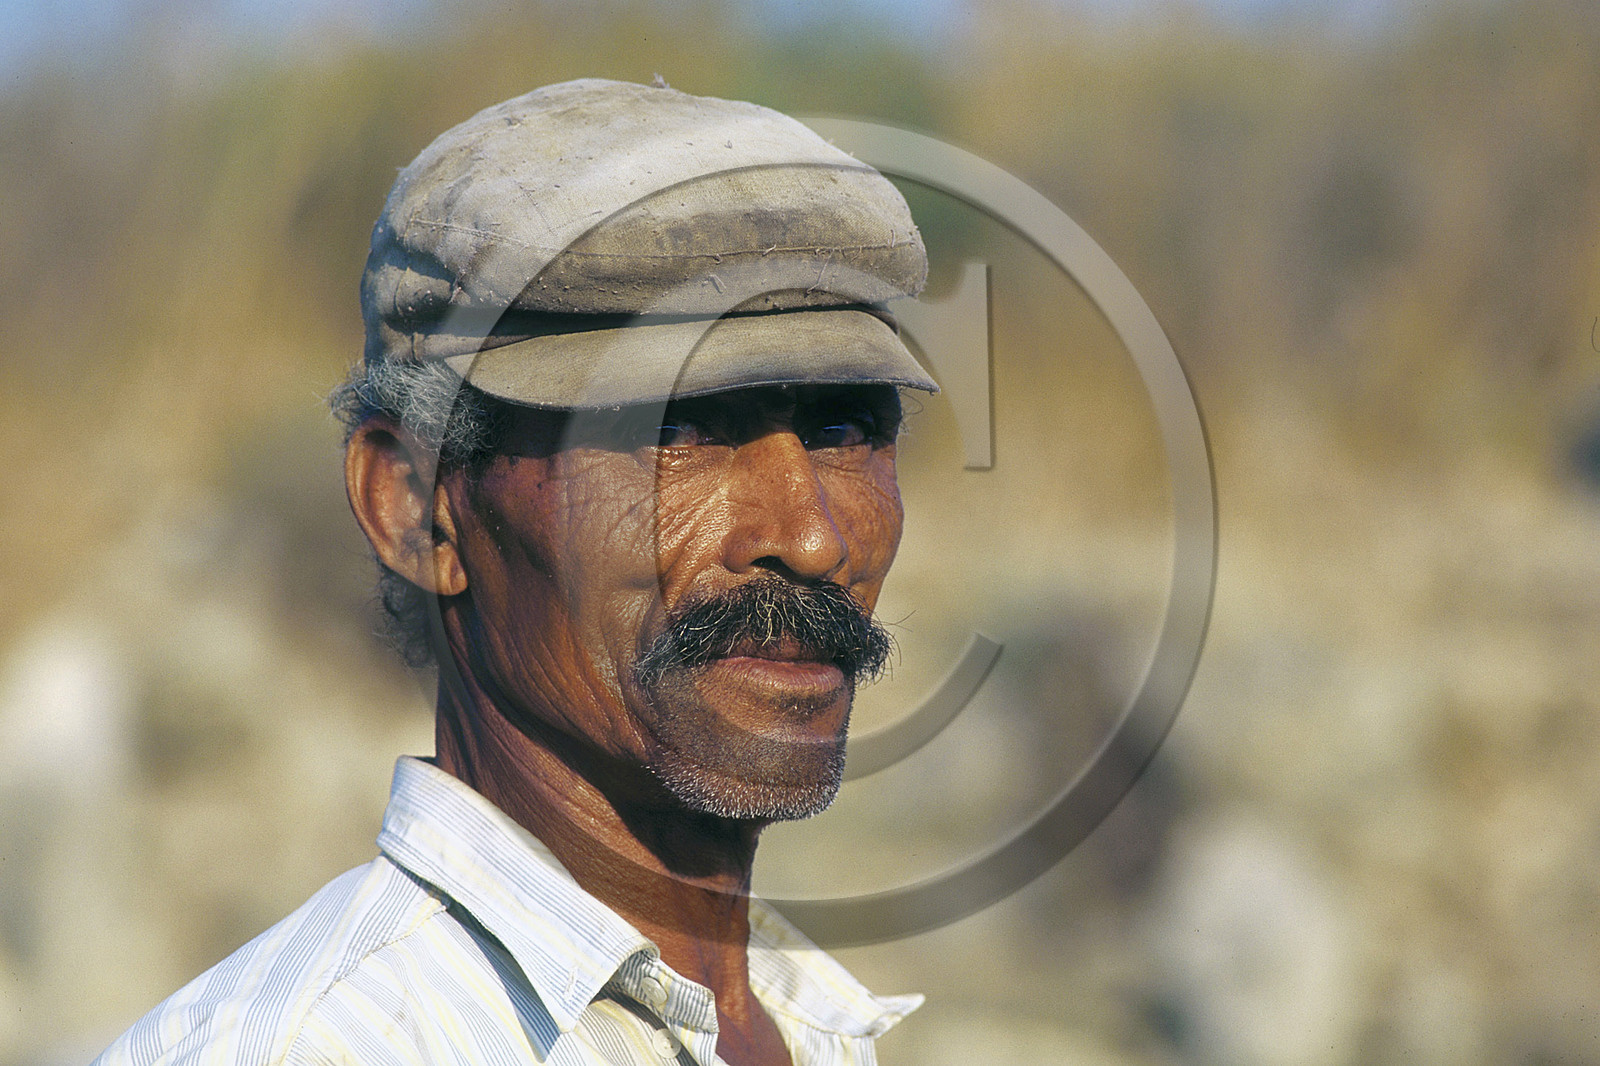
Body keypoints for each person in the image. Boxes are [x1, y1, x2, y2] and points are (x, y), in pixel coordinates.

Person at [94, 78, 936, 1066]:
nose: (812, 539)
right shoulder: (317, 1048)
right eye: (679, 431)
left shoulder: (807, 1027)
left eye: (847, 429)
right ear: (416, 507)